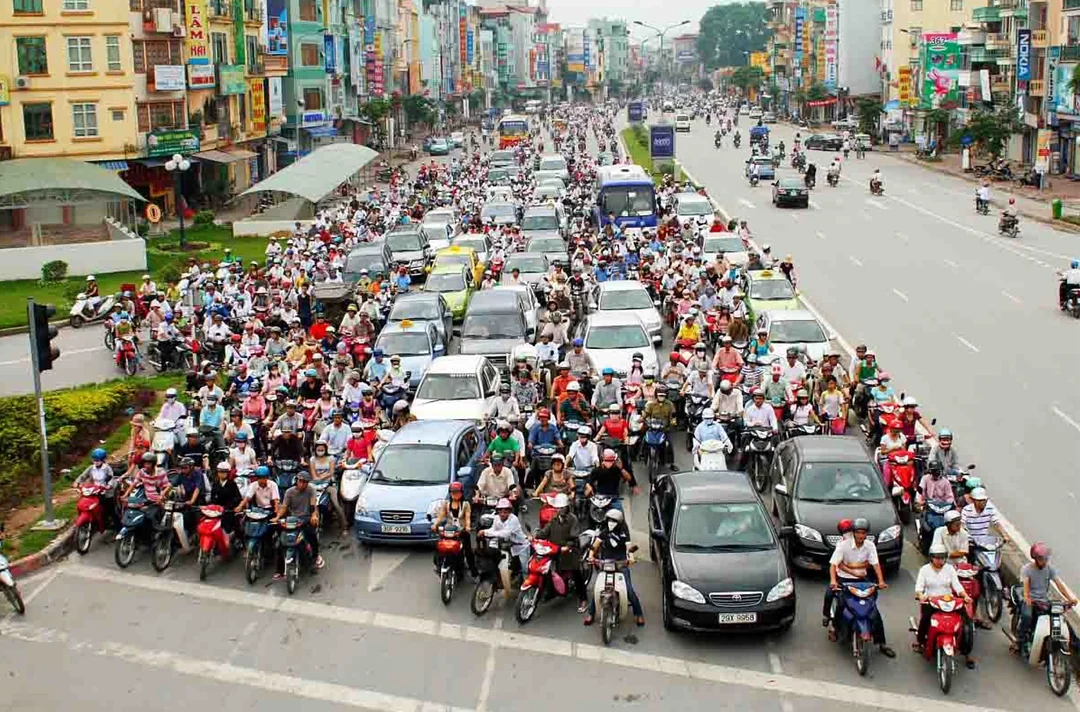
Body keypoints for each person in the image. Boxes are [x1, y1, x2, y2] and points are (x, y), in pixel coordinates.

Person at [828, 518, 895, 657]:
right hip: (844, 580)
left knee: (873, 610)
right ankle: (835, 629)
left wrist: (881, 581)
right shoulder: (843, 545)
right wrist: (834, 581)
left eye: (863, 533)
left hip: (863, 581)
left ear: (866, 534)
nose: (860, 535)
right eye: (857, 532)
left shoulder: (870, 546)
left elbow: (875, 564)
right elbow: (834, 565)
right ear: (853, 533)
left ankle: (882, 643)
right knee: (841, 605)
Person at [1015, 542, 1078, 657]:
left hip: (1044, 601)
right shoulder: (1027, 569)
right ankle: (1019, 641)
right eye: (1041, 559)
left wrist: (1070, 598)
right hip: (1031, 601)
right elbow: (1026, 586)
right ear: (1035, 558)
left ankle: (1076, 645)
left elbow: (1059, 584)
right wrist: (1028, 598)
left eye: (1045, 559)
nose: (1044, 561)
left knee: (1060, 620)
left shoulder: (1049, 569)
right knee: (1027, 617)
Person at [915, 543, 973, 666]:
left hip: (949, 601)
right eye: (937, 557)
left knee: (967, 623)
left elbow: (957, 586)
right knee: (925, 620)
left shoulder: (950, 569)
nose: (940, 560)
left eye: (943, 557)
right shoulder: (924, 570)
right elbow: (919, 588)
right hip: (931, 601)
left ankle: (967, 653)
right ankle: (921, 642)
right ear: (931, 557)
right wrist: (921, 595)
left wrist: (965, 596)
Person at [584, 509, 644, 627]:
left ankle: (639, 613)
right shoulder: (604, 533)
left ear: (619, 522)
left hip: (621, 564)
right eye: (609, 520)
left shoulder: (623, 534)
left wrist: (631, 557)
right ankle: (591, 613)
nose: (611, 523)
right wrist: (591, 556)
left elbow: (629, 548)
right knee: (598, 589)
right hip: (605, 564)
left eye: (614, 521)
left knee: (629, 591)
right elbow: (594, 546)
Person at [534, 492, 589, 612]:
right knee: (546, 568)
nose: (560, 510)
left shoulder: (573, 519)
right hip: (555, 550)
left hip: (570, 550)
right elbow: (545, 532)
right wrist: (535, 536)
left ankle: (583, 599)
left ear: (567, 507)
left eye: (562, 507)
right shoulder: (553, 519)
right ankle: (549, 592)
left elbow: (574, 536)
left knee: (576, 573)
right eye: (558, 508)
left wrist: (568, 546)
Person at [273, 471, 323, 577]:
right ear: (297, 481)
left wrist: (314, 515)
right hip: (293, 519)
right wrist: (277, 517)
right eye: (300, 481)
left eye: (305, 482)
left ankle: (314, 557)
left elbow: (313, 506)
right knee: (280, 543)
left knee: (311, 536)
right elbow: (284, 507)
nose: (302, 484)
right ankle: (280, 570)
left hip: (306, 518)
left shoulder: (311, 490)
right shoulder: (289, 492)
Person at [430, 481, 478, 579]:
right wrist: (435, 525)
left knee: (467, 551)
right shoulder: (446, 504)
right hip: (449, 531)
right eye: (453, 492)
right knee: (439, 547)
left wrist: (468, 527)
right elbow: (441, 515)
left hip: (461, 531)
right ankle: (439, 565)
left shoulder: (466, 504)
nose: (455, 494)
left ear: (461, 493)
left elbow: (467, 517)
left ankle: (473, 572)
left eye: (457, 492)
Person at [478, 498, 530, 580]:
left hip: (521, 546)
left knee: (525, 569)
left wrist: (486, 533)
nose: (502, 514)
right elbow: (494, 529)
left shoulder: (513, 519)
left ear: (509, 512)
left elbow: (505, 533)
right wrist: (484, 531)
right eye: (500, 511)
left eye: (505, 512)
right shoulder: (496, 519)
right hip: (508, 545)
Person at [643, 385, 678, 471]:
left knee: (669, 445)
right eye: (659, 395)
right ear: (656, 395)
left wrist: (673, 422)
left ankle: (671, 463)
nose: (661, 397)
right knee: (644, 441)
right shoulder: (651, 404)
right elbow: (646, 413)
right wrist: (642, 418)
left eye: (663, 395)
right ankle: (643, 455)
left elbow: (673, 416)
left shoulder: (670, 404)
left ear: (666, 395)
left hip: (664, 429)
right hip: (652, 427)